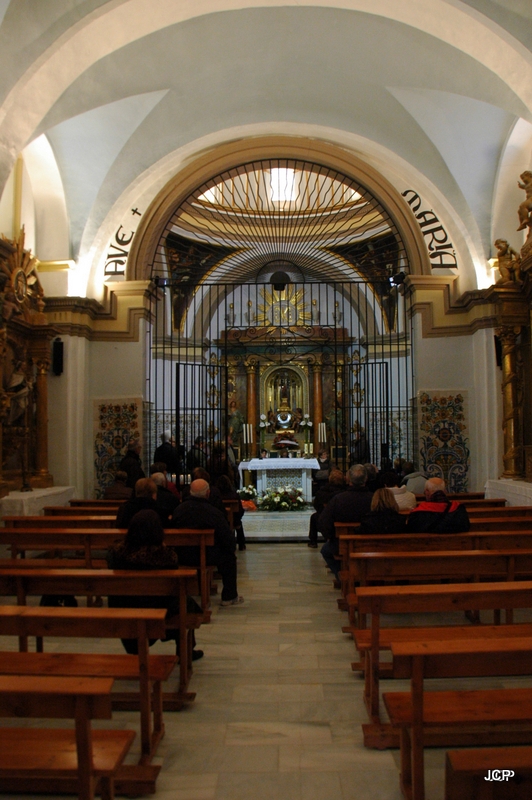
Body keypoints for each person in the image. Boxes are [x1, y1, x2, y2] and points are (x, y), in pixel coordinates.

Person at [107, 509, 203, 660]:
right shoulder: (165, 556)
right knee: (187, 603)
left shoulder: (116, 553)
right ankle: (186, 651)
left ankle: (135, 647)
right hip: (159, 606)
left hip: (124, 604)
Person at [171, 479, 244, 606]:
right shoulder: (213, 512)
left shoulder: (179, 510)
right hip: (208, 556)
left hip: (182, 556)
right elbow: (227, 539)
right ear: (208, 493)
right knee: (229, 558)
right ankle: (229, 596)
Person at [318, 464, 373, 581]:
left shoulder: (339, 499)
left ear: (348, 479)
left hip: (342, 544)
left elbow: (323, 522)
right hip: (371, 542)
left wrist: (330, 537)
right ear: (366, 479)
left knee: (325, 551)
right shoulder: (374, 498)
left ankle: (343, 576)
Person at [406, 477, 470, 533]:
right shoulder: (459, 510)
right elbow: (466, 527)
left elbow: (411, 530)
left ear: (427, 492)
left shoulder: (417, 514)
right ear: (444, 491)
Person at [308, 468, 345, 548]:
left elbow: (317, 506)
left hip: (325, 521)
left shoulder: (322, 492)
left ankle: (313, 541)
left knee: (314, 517)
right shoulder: (345, 492)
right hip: (342, 519)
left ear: (329, 479)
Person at [215, 474, 246, 551]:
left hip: (220, 519)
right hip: (234, 520)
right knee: (238, 524)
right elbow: (240, 509)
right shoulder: (234, 495)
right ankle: (241, 544)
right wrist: (238, 517)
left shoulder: (217, 495)